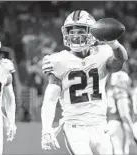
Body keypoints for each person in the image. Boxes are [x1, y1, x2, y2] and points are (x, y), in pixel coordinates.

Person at [41, 10, 128, 154]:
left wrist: (113, 43)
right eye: (72, 31)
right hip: (75, 128)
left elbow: (119, 62)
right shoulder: (58, 60)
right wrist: (46, 128)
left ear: (93, 32)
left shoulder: (103, 53)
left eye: (80, 31)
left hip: (100, 126)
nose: (75, 35)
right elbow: (50, 99)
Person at [107, 71, 133, 155]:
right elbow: (124, 115)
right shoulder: (120, 93)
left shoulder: (108, 92)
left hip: (110, 123)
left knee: (115, 150)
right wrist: (132, 129)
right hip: (118, 123)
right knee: (121, 151)